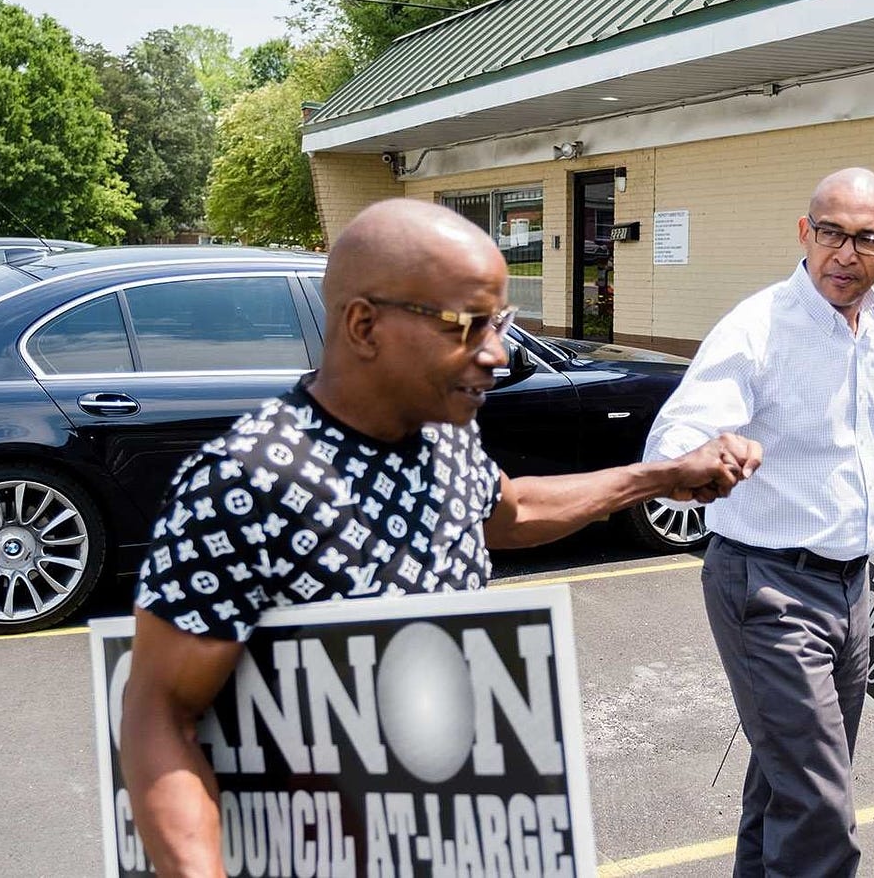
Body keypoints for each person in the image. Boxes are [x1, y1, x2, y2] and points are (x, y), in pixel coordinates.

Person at [120, 198, 763, 877]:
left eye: (502, 322)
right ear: (364, 324)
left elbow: (508, 513)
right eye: (470, 325)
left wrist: (659, 475)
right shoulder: (245, 482)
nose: (497, 351)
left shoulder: (442, 439)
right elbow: (159, 712)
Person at [643, 168, 874, 877]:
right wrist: (702, 462)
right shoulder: (758, 329)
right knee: (820, 812)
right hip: (768, 590)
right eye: (831, 234)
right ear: (804, 232)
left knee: (785, 783)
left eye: (866, 239)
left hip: (850, 590)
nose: (845, 254)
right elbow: (671, 442)